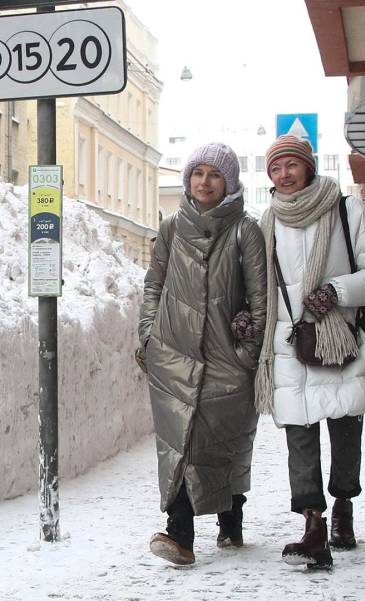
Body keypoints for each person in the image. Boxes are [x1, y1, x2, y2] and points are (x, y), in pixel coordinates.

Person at [252, 135, 365, 569]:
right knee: (299, 435)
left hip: (340, 338)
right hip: (290, 341)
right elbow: (260, 282)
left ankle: (344, 507)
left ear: (309, 167)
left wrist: (337, 290)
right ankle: (313, 524)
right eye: (275, 168)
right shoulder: (268, 220)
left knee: (345, 432)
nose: (284, 174)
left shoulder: (348, 210)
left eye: (291, 165)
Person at [137, 142, 268, 566]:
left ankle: (230, 517)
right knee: (179, 443)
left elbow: (259, 297)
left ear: (228, 181)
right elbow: (154, 283)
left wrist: (247, 350)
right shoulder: (172, 227)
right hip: (173, 353)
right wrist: (148, 336)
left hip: (225, 359)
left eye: (214, 175)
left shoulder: (246, 230)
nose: (204, 182)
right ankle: (180, 534)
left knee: (221, 444)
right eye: (198, 173)